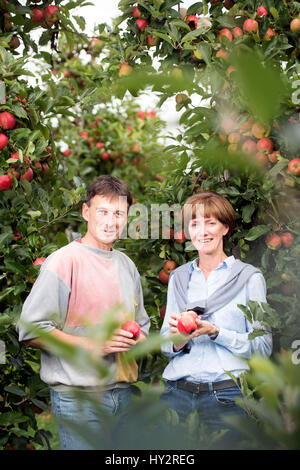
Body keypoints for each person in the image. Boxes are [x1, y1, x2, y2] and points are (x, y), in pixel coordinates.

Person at [17, 175, 150, 450]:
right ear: (86, 212)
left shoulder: (127, 266)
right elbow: (30, 329)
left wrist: (139, 340)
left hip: (122, 393)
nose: (110, 221)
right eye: (102, 211)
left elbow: (142, 325)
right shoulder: (64, 262)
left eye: (119, 213)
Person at [160, 191, 272, 448]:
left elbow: (263, 347)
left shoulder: (249, 278)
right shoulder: (178, 278)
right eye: (195, 224)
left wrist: (215, 332)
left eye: (210, 222)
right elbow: (165, 345)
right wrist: (178, 341)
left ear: (225, 227)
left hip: (227, 395)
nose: (203, 231)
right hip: (177, 392)